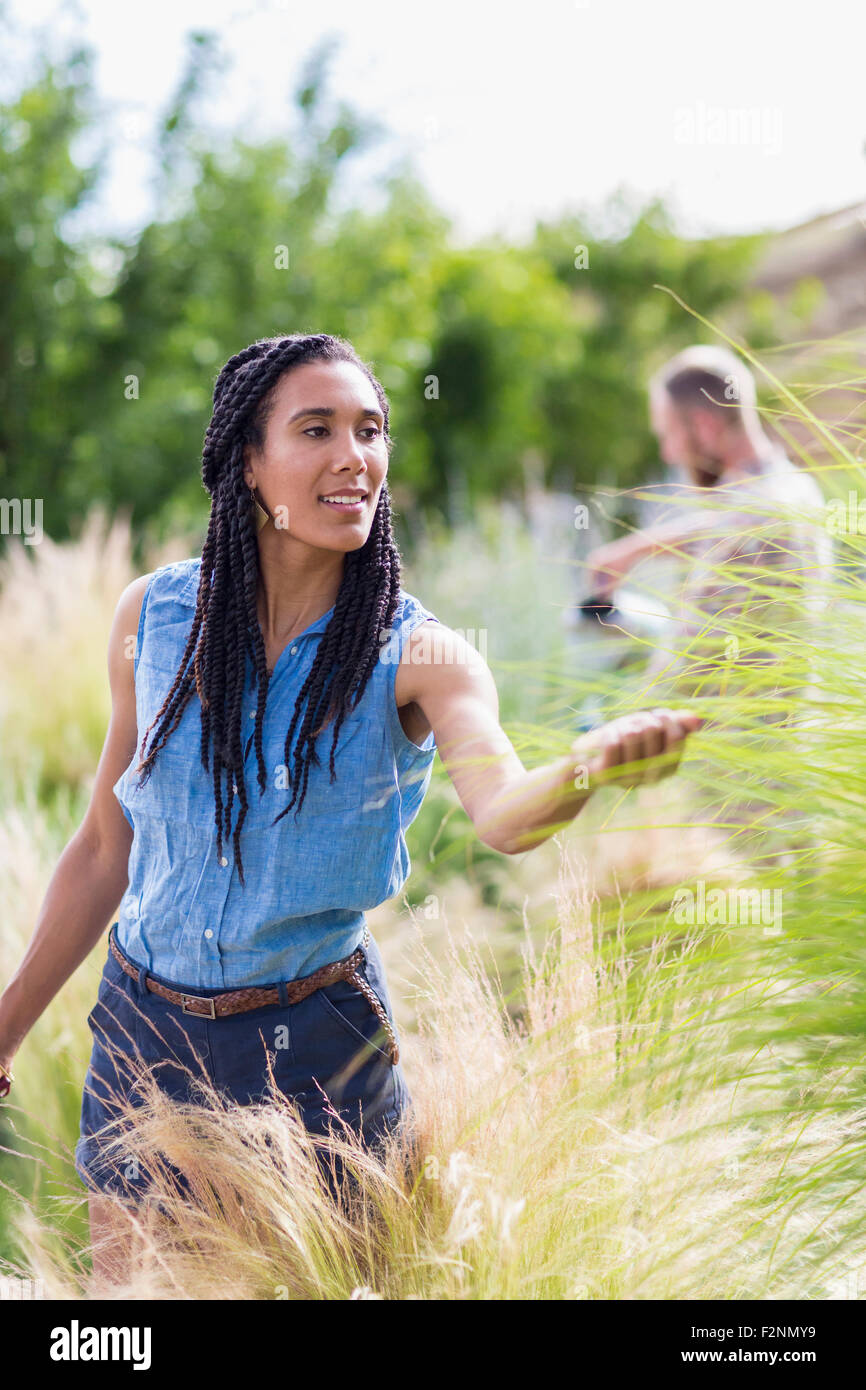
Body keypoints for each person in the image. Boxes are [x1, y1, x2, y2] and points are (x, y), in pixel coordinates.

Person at [0, 332, 701, 1285]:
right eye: (317, 428)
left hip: (318, 1047)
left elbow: (503, 812)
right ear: (249, 462)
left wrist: (586, 767)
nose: (354, 456)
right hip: (143, 1031)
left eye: (370, 430)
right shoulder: (154, 619)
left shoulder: (426, 656)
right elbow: (99, 850)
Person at [587, 344, 832, 691]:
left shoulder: (743, 528)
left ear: (703, 425)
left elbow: (679, 674)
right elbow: (724, 524)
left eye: (668, 435)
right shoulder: (797, 488)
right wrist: (636, 549)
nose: (667, 452)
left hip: (735, 736)